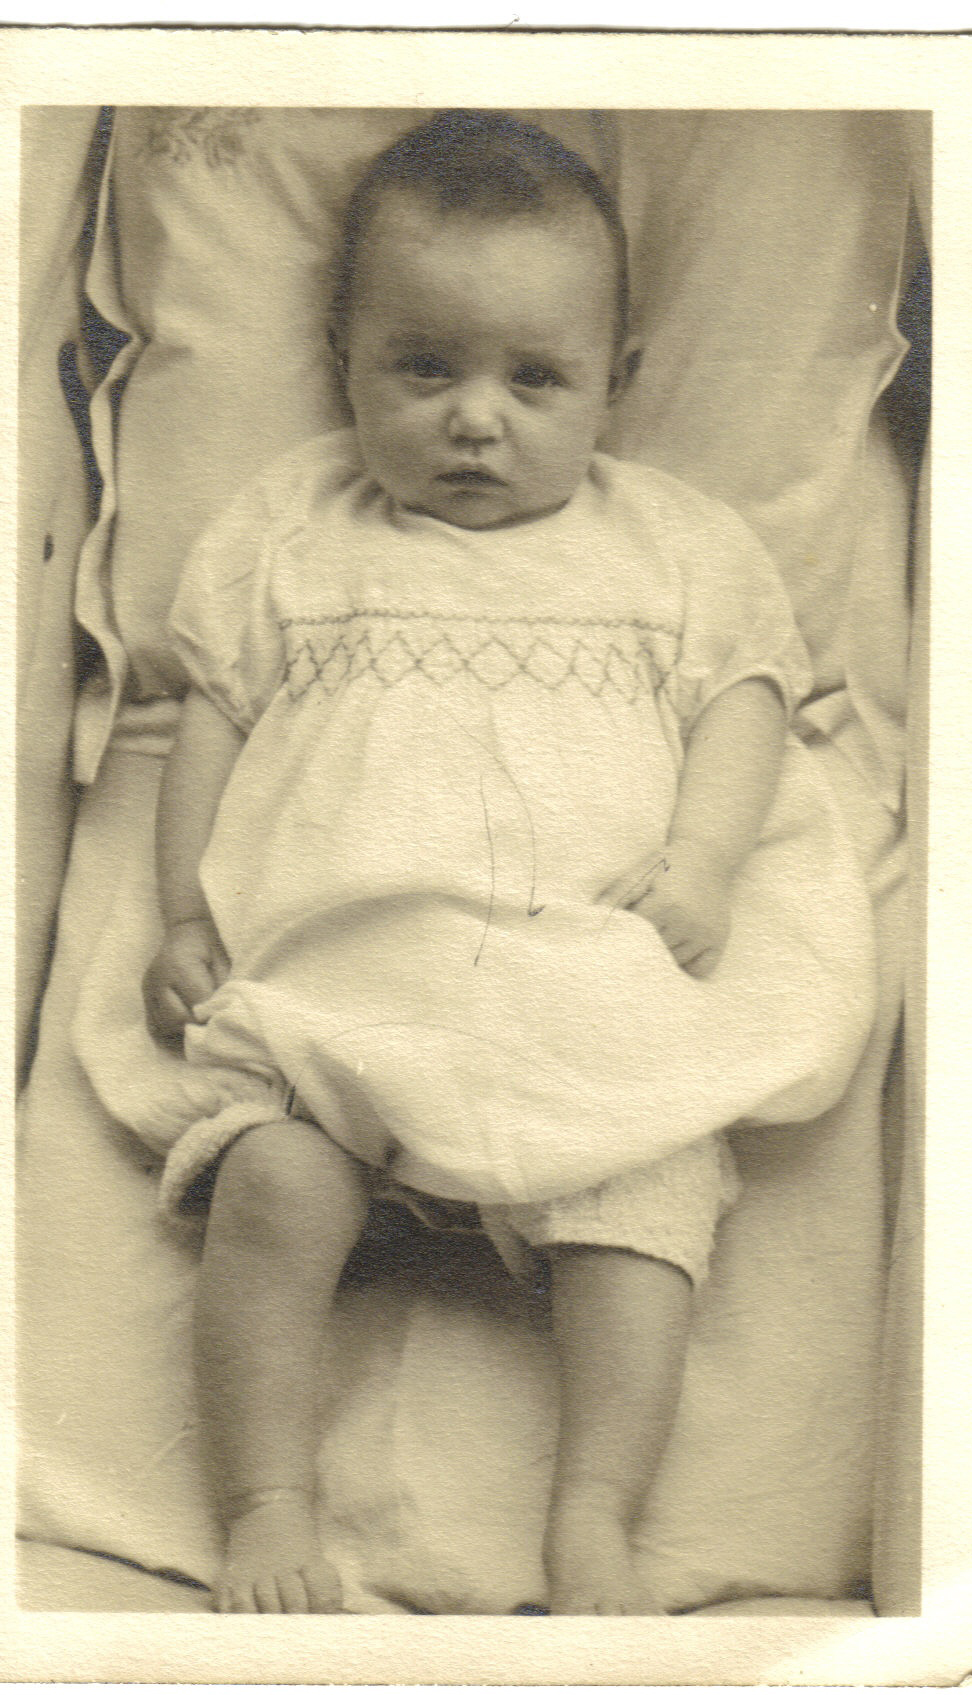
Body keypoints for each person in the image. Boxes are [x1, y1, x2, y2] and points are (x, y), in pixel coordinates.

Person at [140, 111, 873, 1615]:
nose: (477, 420)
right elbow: (208, 713)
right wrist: (178, 913)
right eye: (424, 368)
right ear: (344, 358)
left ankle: (595, 1514)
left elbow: (745, 702)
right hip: (349, 995)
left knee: (648, 1205)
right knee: (271, 1184)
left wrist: (703, 867)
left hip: (584, 992)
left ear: (619, 382)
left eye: (535, 379)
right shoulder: (291, 528)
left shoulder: (674, 543)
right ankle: (267, 1502)